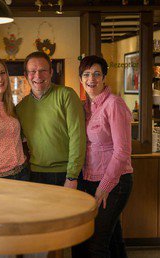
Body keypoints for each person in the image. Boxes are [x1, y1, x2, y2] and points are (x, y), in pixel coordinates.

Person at [72, 55, 133, 258]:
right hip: (90, 179)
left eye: (97, 74)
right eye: (87, 74)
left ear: (104, 77)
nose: (92, 79)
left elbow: (122, 151)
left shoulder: (114, 104)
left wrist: (103, 187)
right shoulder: (85, 107)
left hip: (114, 183)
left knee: (96, 245)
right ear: (81, 79)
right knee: (113, 240)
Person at [16, 51, 86, 188]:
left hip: (66, 173)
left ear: (51, 72)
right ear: (25, 75)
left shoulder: (66, 95)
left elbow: (77, 137)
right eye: (33, 71)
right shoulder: (20, 108)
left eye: (43, 70)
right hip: (35, 174)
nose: (38, 76)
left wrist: (72, 176)